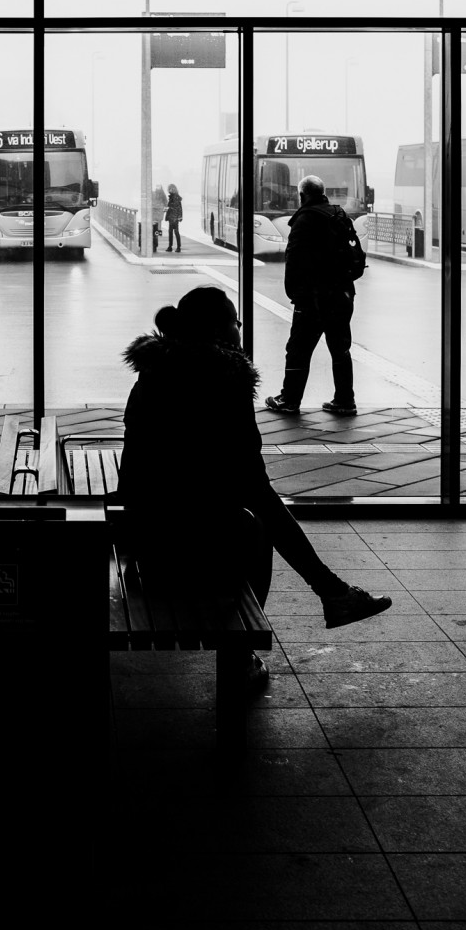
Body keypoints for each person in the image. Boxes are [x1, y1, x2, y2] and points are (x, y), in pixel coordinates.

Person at [117, 285, 391, 666]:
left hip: (144, 528)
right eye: (235, 322)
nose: (239, 330)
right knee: (256, 525)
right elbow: (248, 471)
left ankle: (330, 590)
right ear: (217, 330)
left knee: (253, 510)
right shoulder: (222, 380)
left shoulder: (154, 372)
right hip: (175, 547)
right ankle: (246, 646)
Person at [265, 174, 358, 418]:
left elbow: (294, 260)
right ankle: (345, 401)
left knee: (298, 349)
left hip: (315, 298)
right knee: (340, 349)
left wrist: (296, 295)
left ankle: (289, 399)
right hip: (343, 294)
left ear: (302, 195)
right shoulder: (339, 214)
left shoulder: (305, 219)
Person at [164, 183, 183, 253]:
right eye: (169, 189)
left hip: (174, 218)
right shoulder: (171, 197)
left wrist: (179, 217)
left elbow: (179, 208)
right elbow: (169, 206)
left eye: (171, 188)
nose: (170, 190)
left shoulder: (176, 197)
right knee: (171, 232)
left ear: (174, 189)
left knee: (176, 232)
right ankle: (170, 246)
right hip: (171, 217)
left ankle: (178, 247)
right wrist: (165, 210)